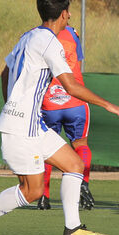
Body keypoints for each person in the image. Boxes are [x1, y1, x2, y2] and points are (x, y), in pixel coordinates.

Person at [0, 0, 119, 235]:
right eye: (69, 11)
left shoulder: (28, 36)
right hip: (20, 131)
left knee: (74, 164)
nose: (71, 15)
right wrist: (108, 105)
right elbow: (71, 86)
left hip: (32, 126)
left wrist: (12, 105)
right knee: (33, 191)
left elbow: (5, 72)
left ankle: (72, 228)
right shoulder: (51, 42)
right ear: (63, 14)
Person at [37, 24, 95, 211]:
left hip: (49, 101)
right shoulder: (72, 33)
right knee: (80, 145)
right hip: (76, 100)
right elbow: (76, 60)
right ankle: (82, 185)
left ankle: (43, 196)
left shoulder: (37, 35)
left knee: (46, 149)